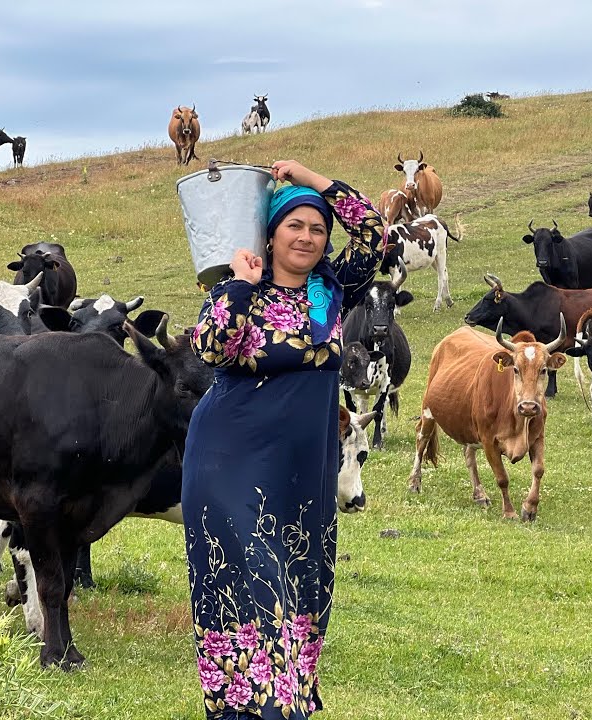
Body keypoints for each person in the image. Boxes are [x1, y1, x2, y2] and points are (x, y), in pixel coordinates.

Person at [184, 160, 384, 719]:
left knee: (300, 587)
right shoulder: (236, 289)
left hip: (302, 476)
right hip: (231, 467)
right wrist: (241, 286)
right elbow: (210, 349)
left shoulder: (332, 291)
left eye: (317, 228)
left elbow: (374, 233)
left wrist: (311, 179)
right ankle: (257, 708)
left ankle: (285, 701)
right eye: (294, 225)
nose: (307, 237)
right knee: (252, 587)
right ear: (269, 236)